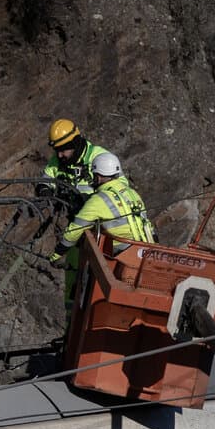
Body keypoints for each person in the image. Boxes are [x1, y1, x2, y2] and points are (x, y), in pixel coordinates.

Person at [49, 152, 155, 296]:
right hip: (148, 256)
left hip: (122, 259)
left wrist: (57, 254)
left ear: (98, 176)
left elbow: (75, 230)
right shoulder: (133, 194)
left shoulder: (99, 200)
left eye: (93, 175)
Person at [41, 118, 111, 212]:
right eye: (57, 150)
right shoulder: (58, 159)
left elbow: (118, 191)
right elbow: (45, 179)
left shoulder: (102, 158)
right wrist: (44, 190)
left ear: (75, 144)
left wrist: (88, 200)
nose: (59, 155)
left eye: (62, 150)